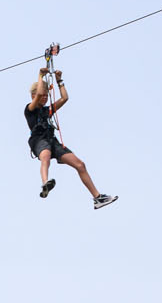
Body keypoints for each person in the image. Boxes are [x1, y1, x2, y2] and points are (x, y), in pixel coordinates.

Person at [26, 53, 116, 208]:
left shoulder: (48, 110)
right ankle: (45, 183)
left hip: (52, 141)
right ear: (34, 96)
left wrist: (59, 80)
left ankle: (98, 198)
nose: (45, 98)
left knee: (80, 165)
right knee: (45, 155)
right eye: (43, 96)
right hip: (39, 140)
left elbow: (64, 98)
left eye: (47, 96)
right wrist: (41, 75)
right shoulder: (30, 109)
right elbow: (39, 92)